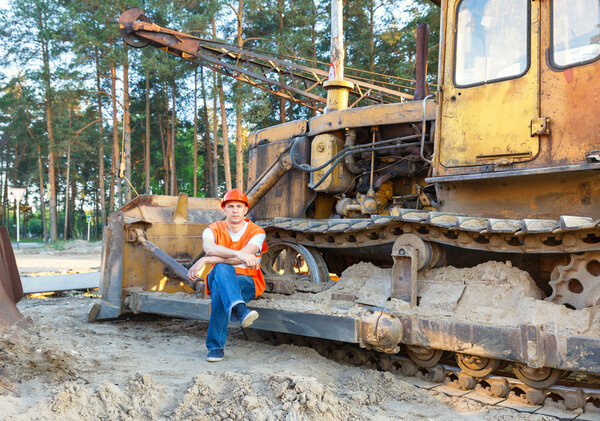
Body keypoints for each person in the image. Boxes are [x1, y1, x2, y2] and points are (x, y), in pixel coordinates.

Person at [187, 188, 268, 362]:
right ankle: (240, 309)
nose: (235, 210)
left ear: (246, 209)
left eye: (239, 206)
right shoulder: (212, 229)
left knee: (219, 286)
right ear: (224, 209)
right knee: (222, 270)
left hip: (246, 282)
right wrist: (239, 254)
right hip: (221, 275)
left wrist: (205, 261)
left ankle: (216, 348)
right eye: (230, 206)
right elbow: (209, 248)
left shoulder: (257, 232)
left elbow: (234, 257)